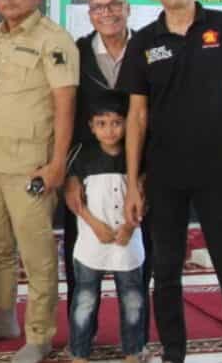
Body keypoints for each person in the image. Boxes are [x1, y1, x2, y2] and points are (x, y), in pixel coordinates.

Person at [119, 0, 222, 363]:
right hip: (165, 176)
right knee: (166, 272)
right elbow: (136, 117)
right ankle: (173, 354)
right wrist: (133, 182)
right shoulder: (144, 41)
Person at [0, 0, 79, 363]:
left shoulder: (53, 39)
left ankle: (39, 334)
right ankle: (5, 317)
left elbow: (65, 103)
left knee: (36, 254)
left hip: (32, 165)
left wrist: (57, 164)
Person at [64, 0, 152, 350]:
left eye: (114, 4)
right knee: (82, 262)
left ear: (128, 7)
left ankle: (136, 342)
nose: (107, 13)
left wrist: (147, 178)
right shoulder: (77, 52)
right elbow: (67, 113)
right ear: (90, 14)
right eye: (99, 7)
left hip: (144, 168)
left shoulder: (149, 48)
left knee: (139, 259)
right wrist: (70, 176)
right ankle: (81, 341)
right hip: (89, 170)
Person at [66, 98, 146, 363]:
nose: (109, 130)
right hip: (92, 241)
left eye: (116, 123)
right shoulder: (82, 154)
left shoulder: (135, 155)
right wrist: (94, 224)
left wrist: (129, 227)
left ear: (127, 124)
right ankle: (79, 351)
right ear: (91, 126)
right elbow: (74, 197)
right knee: (85, 298)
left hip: (128, 241)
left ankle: (133, 350)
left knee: (132, 297)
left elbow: (144, 196)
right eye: (101, 124)